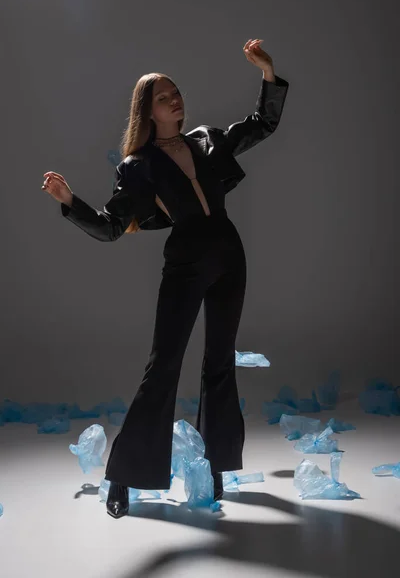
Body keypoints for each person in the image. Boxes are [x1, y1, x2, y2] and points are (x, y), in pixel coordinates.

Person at [42, 38, 289, 518]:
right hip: (187, 257)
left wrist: (267, 72)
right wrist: (70, 202)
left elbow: (263, 124)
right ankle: (124, 476)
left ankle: (214, 466)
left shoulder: (208, 139)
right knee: (164, 366)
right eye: (163, 96)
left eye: (176, 92)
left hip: (229, 254)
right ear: (147, 110)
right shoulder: (138, 166)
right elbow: (113, 227)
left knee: (219, 362)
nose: (175, 99)